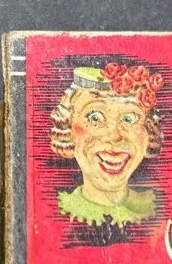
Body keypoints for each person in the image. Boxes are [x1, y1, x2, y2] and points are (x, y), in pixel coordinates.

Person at [50, 63, 164, 227]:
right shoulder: (54, 213)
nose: (114, 136)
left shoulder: (156, 210)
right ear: (68, 128)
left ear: (148, 132)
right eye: (95, 118)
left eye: (129, 118)